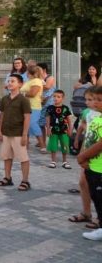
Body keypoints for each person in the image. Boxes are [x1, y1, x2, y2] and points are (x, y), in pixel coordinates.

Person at [69, 88, 100, 228]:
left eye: (96, 99)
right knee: (83, 182)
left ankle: (99, 218)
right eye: (90, 99)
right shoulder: (89, 114)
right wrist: (82, 154)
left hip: (96, 158)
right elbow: (88, 135)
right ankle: (87, 212)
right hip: (88, 156)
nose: (93, 102)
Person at [0, 74, 32, 191]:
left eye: (13, 81)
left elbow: (27, 117)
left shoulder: (23, 100)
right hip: (6, 133)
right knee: (6, 156)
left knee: (23, 158)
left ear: (20, 84)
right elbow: (2, 115)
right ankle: (7, 177)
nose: (10, 83)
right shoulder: (4, 99)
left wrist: (25, 135)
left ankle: (25, 180)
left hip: (18, 133)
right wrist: (0, 131)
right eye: (9, 81)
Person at [77, 86, 102, 240]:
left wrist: (83, 156)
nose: (95, 103)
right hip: (92, 165)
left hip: (99, 167)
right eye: (94, 100)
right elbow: (90, 139)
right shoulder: (96, 118)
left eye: (99, 100)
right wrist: (84, 156)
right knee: (97, 198)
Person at [45, 90, 73, 169]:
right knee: (53, 146)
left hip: (64, 131)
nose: (56, 98)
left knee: (65, 145)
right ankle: (53, 161)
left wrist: (70, 129)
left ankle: (65, 161)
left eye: (58, 97)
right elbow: (47, 119)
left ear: (63, 98)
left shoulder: (66, 108)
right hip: (53, 130)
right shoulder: (50, 108)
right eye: (54, 96)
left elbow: (69, 120)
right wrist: (47, 129)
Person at [21, 65, 45, 152]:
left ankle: (42, 145)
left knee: (32, 124)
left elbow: (32, 94)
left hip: (34, 106)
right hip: (25, 106)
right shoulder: (29, 81)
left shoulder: (37, 81)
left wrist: (21, 94)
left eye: (27, 71)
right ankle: (25, 145)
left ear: (31, 73)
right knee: (25, 125)